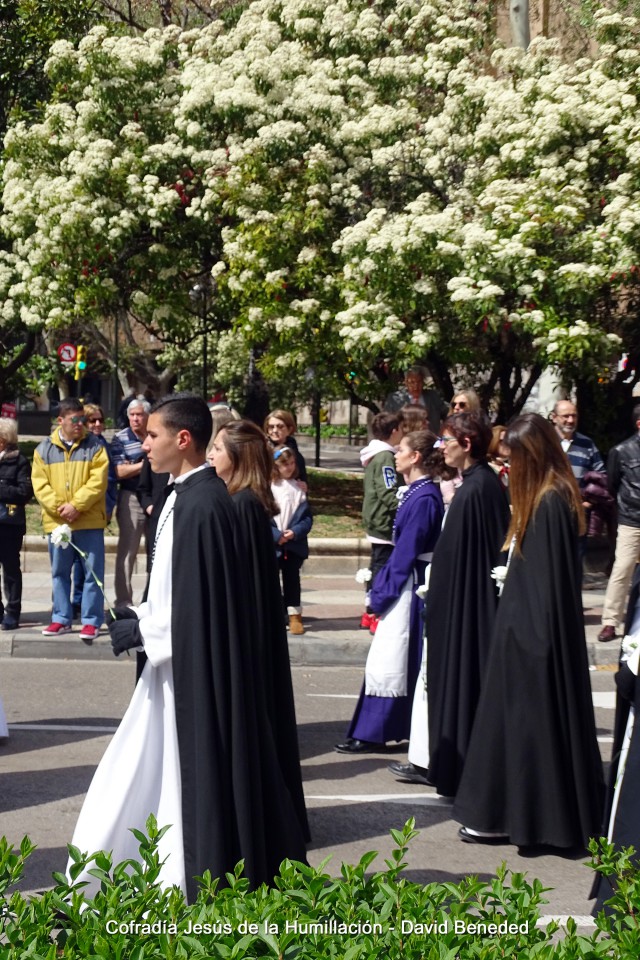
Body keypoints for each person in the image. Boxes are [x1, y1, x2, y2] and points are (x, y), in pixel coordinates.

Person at [69, 395, 307, 902]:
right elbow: (176, 590)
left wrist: (146, 632)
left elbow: (202, 605)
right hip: (171, 662)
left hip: (186, 668)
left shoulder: (204, 504)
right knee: (140, 767)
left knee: (157, 767)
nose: (143, 443)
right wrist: (141, 620)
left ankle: (170, 873)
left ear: (182, 440)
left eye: (151, 435)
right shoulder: (184, 495)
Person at [453, 413, 604, 847]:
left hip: (532, 642)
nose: (509, 468)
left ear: (532, 457)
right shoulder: (544, 497)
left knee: (523, 732)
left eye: (514, 459)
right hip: (523, 636)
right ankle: (510, 816)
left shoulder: (551, 502)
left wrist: (528, 644)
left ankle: (520, 820)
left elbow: (547, 588)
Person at [207, 419, 309, 841]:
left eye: (217, 448)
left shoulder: (244, 506)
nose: (211, 455)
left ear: (239, 458)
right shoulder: (240, 501)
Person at [335, 431, 445, 754]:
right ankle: (378, 728)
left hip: (410, 584)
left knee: (392, 660)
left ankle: (375, 730)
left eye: (402, 450)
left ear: (416, 458)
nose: (395, 455)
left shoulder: (425, 498)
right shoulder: (418, 492)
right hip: (407, 579)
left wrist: (381, 592)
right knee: (392, 659)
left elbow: (405, 552)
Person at [425, 410, 510, 797]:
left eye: (446, 440)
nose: (440, 447)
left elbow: (469, 557)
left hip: (466, 612)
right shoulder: (476, 484)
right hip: (460, 605)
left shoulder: (477, 488)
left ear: (467, 443)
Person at [32, 398, 108, 642]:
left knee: (92, 573)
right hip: (58, 523)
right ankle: (61, 618)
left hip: (88, 521)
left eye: (82, 419)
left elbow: (98, 481)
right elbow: (39, 484)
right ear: (60, 420)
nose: (80, 424)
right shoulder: (43, 450)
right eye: (74, 420)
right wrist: (59, 507)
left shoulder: (95, 446)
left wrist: (76, 505)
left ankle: (90, 621)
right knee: (59, 572)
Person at [598, 404, 640, 643]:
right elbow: (612, 485)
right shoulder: (621, 451)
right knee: (622, 571)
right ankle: (610, 622)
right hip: (631, 521)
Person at [358, 412, 403, 633]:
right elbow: (388, 491)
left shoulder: (377, 454)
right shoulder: (385, 457)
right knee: (381, 566)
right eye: (400, 429)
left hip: (375, 519)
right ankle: (374, 611)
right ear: (394, 431)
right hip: (383, 521)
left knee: (376, 564)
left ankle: (370, 610)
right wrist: (403, 505)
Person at [72, 403, 117, 617]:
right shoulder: (82, 445)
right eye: (93, 420)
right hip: (74, 511)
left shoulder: (102, 445)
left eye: (101, 420)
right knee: (72, 563)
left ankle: (83, 603)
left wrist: (109, 507)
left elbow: (109, 480)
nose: (98, 424)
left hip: (96, 511)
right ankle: (74, 602)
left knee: (88, 563)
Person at [269, 445, 313, 635]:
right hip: (274, 543)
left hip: (292, 544)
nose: (288, 467)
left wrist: (294, 532)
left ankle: (294, 614)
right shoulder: (267, 487)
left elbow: (306, 518)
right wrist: (276, 535)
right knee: (271, 580)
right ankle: (277, 614)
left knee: (292, 579)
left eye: (292, 463)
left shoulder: (299, 488)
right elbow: (262, 517)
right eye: (283, 464)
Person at [111, 396, 150, 605]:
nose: (135, 419)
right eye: (132, 415)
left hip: (155, 498)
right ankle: (123, 602)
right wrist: (145, 465)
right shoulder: (120, 438)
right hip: (131, 498)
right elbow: (119, 471)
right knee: (127, 552)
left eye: (139, 415)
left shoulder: (156, 435)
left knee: (156, 553)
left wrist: (132, 466)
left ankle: (150, 599)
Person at [0, 417, 33, 631]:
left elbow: (24, 492)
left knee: (11, 569)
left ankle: (12, 612)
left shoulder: (19, 460)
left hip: (8, 524)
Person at [384, 366, 447, 434]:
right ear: (406, 382)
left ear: (423, 382)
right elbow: (388, 422)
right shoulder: (395, 399)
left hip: (431, 438)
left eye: (419, 381)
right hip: (406, 439)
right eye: (412, 382)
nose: (416, 385)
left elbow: (446, 414)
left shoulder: (432, 396)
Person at [264, 409, 307, 487]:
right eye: (271, 427)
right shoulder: (262, 450)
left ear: (289, 429)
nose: (275, 430)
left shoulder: (296, 455)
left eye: (280, 426)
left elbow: (302, 479)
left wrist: (304, 486)